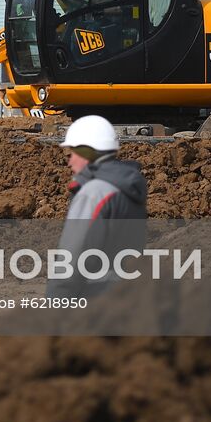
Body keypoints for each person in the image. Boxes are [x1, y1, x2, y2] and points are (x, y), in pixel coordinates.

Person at [47, 114, 147, 298]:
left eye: (73, 154)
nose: (69, 162)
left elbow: (73, 258)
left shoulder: (95, 192)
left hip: (94, 302)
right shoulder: (128, 189)